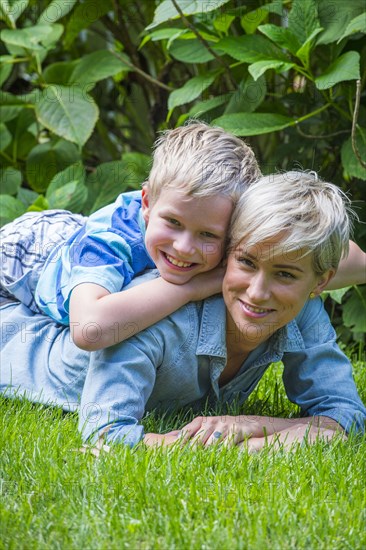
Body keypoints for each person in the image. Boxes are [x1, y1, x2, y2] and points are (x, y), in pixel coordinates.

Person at [1, 171, 365, 451]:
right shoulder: (155, 315)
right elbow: (107, 434)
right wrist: (222, 447)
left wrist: (254, 426)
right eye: (246, 262)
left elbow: (346, 416)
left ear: (320, 282)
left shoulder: (301, 309)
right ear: (227, 253)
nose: (257, 292)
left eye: (285, 274)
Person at [1, 122, 365, 353]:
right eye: (172, 222)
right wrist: (195, 286)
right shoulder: (108, 243)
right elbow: (90, 330)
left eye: (208, 234)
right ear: (147, 202)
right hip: (29, 251)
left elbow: (340, 258)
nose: (184, 247)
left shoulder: (223, 224)